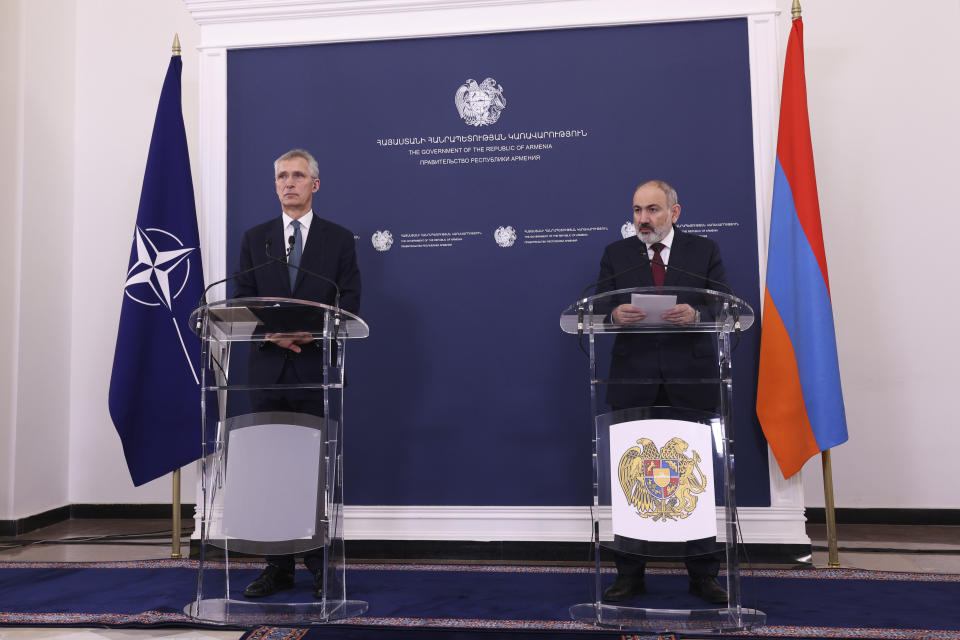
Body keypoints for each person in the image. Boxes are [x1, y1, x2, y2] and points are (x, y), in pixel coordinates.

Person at [234, 148, 361, 599]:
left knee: (316, 470)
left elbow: (349, 301)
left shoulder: (338, 239)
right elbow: (240, 301)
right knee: (271, 470)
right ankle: (278, 566)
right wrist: (273, 337)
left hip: (315, 371)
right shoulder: (256, 239)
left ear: (315, 185)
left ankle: (321, 563)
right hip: (268, 372)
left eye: (298, 176)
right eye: (282, 177)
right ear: (275, 185)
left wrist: (309, 335)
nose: (289, 183)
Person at [595, 179, 728, 605]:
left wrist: (698, 313)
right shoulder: (617, 254)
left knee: (695, 478)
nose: (643, 220)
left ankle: (703, 575)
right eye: (637, 211)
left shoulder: (702, 251)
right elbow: (596, 306)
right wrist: (614, 312)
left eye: (652, 210)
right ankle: (630, 573)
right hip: (633, 380)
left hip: (690, 379)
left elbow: (725, 304)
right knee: (629, 477)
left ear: (675, 212)